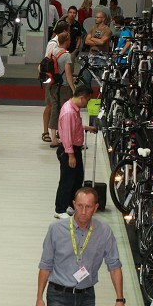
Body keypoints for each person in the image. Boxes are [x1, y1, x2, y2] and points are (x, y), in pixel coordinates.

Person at [55, 84, 95, 217]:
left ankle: (69, 205)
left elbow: (74, 126)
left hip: (74, 149)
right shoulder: (69, 112)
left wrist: (86, 127)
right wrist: (71, 155)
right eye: (88, 100)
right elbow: (66, 135)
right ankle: (60, 209)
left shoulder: (73, 108)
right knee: (67, 180)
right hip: (69, 151)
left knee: (77, 179)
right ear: (82, 98)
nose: (87, 103)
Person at [43, 29, 74, 148]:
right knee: (65, 111)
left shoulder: (51, 52)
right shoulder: (66, 55)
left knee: (55, 109)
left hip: (52, 86)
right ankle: (64, 135)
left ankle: (53, 138)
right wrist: (73, 88)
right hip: (64, 87)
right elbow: (68, 75)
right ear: (66, 41)